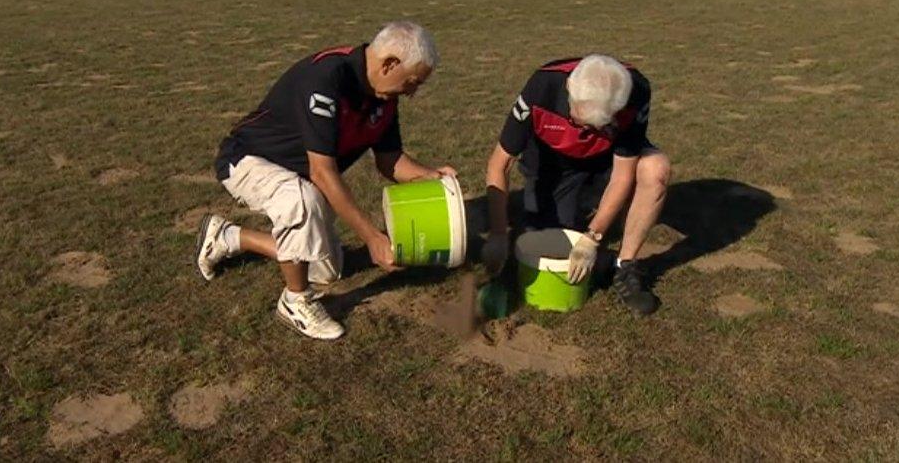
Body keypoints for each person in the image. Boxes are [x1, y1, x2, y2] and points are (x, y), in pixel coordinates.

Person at [196, 21, 456, 340]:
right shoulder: (327, 79)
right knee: (299, 202)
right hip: (248, 160)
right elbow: (322, 172)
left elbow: (390, 161)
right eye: (414, 82)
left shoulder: (385, 100)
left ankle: (229, 237)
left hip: (300, 174)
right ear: (390, 64)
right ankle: (295, 301)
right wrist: (373, 237)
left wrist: (429, 174)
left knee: (327, 270)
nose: (413, 93)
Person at [481, 54, 670, 315]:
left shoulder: (636, 92)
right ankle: (583, 225)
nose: (583, 130)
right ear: (570, 86)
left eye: (595, 126)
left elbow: (622, 176)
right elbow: (499, 164)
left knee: (655, 168)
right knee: (545, 239)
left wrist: (593, 237)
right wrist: (499, 233)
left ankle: (625, 267)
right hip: (554, 164)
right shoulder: (542, 86)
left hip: (607, 161)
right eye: (576, 120)